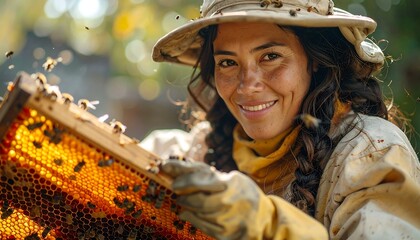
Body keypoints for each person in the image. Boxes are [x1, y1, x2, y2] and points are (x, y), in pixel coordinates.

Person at [140, 0, 420, 239]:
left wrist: (266, 224)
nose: (247, 86)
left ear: (316, 59)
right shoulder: (200, 148)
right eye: (227, 62)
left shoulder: (371, 153)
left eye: (270, 56)